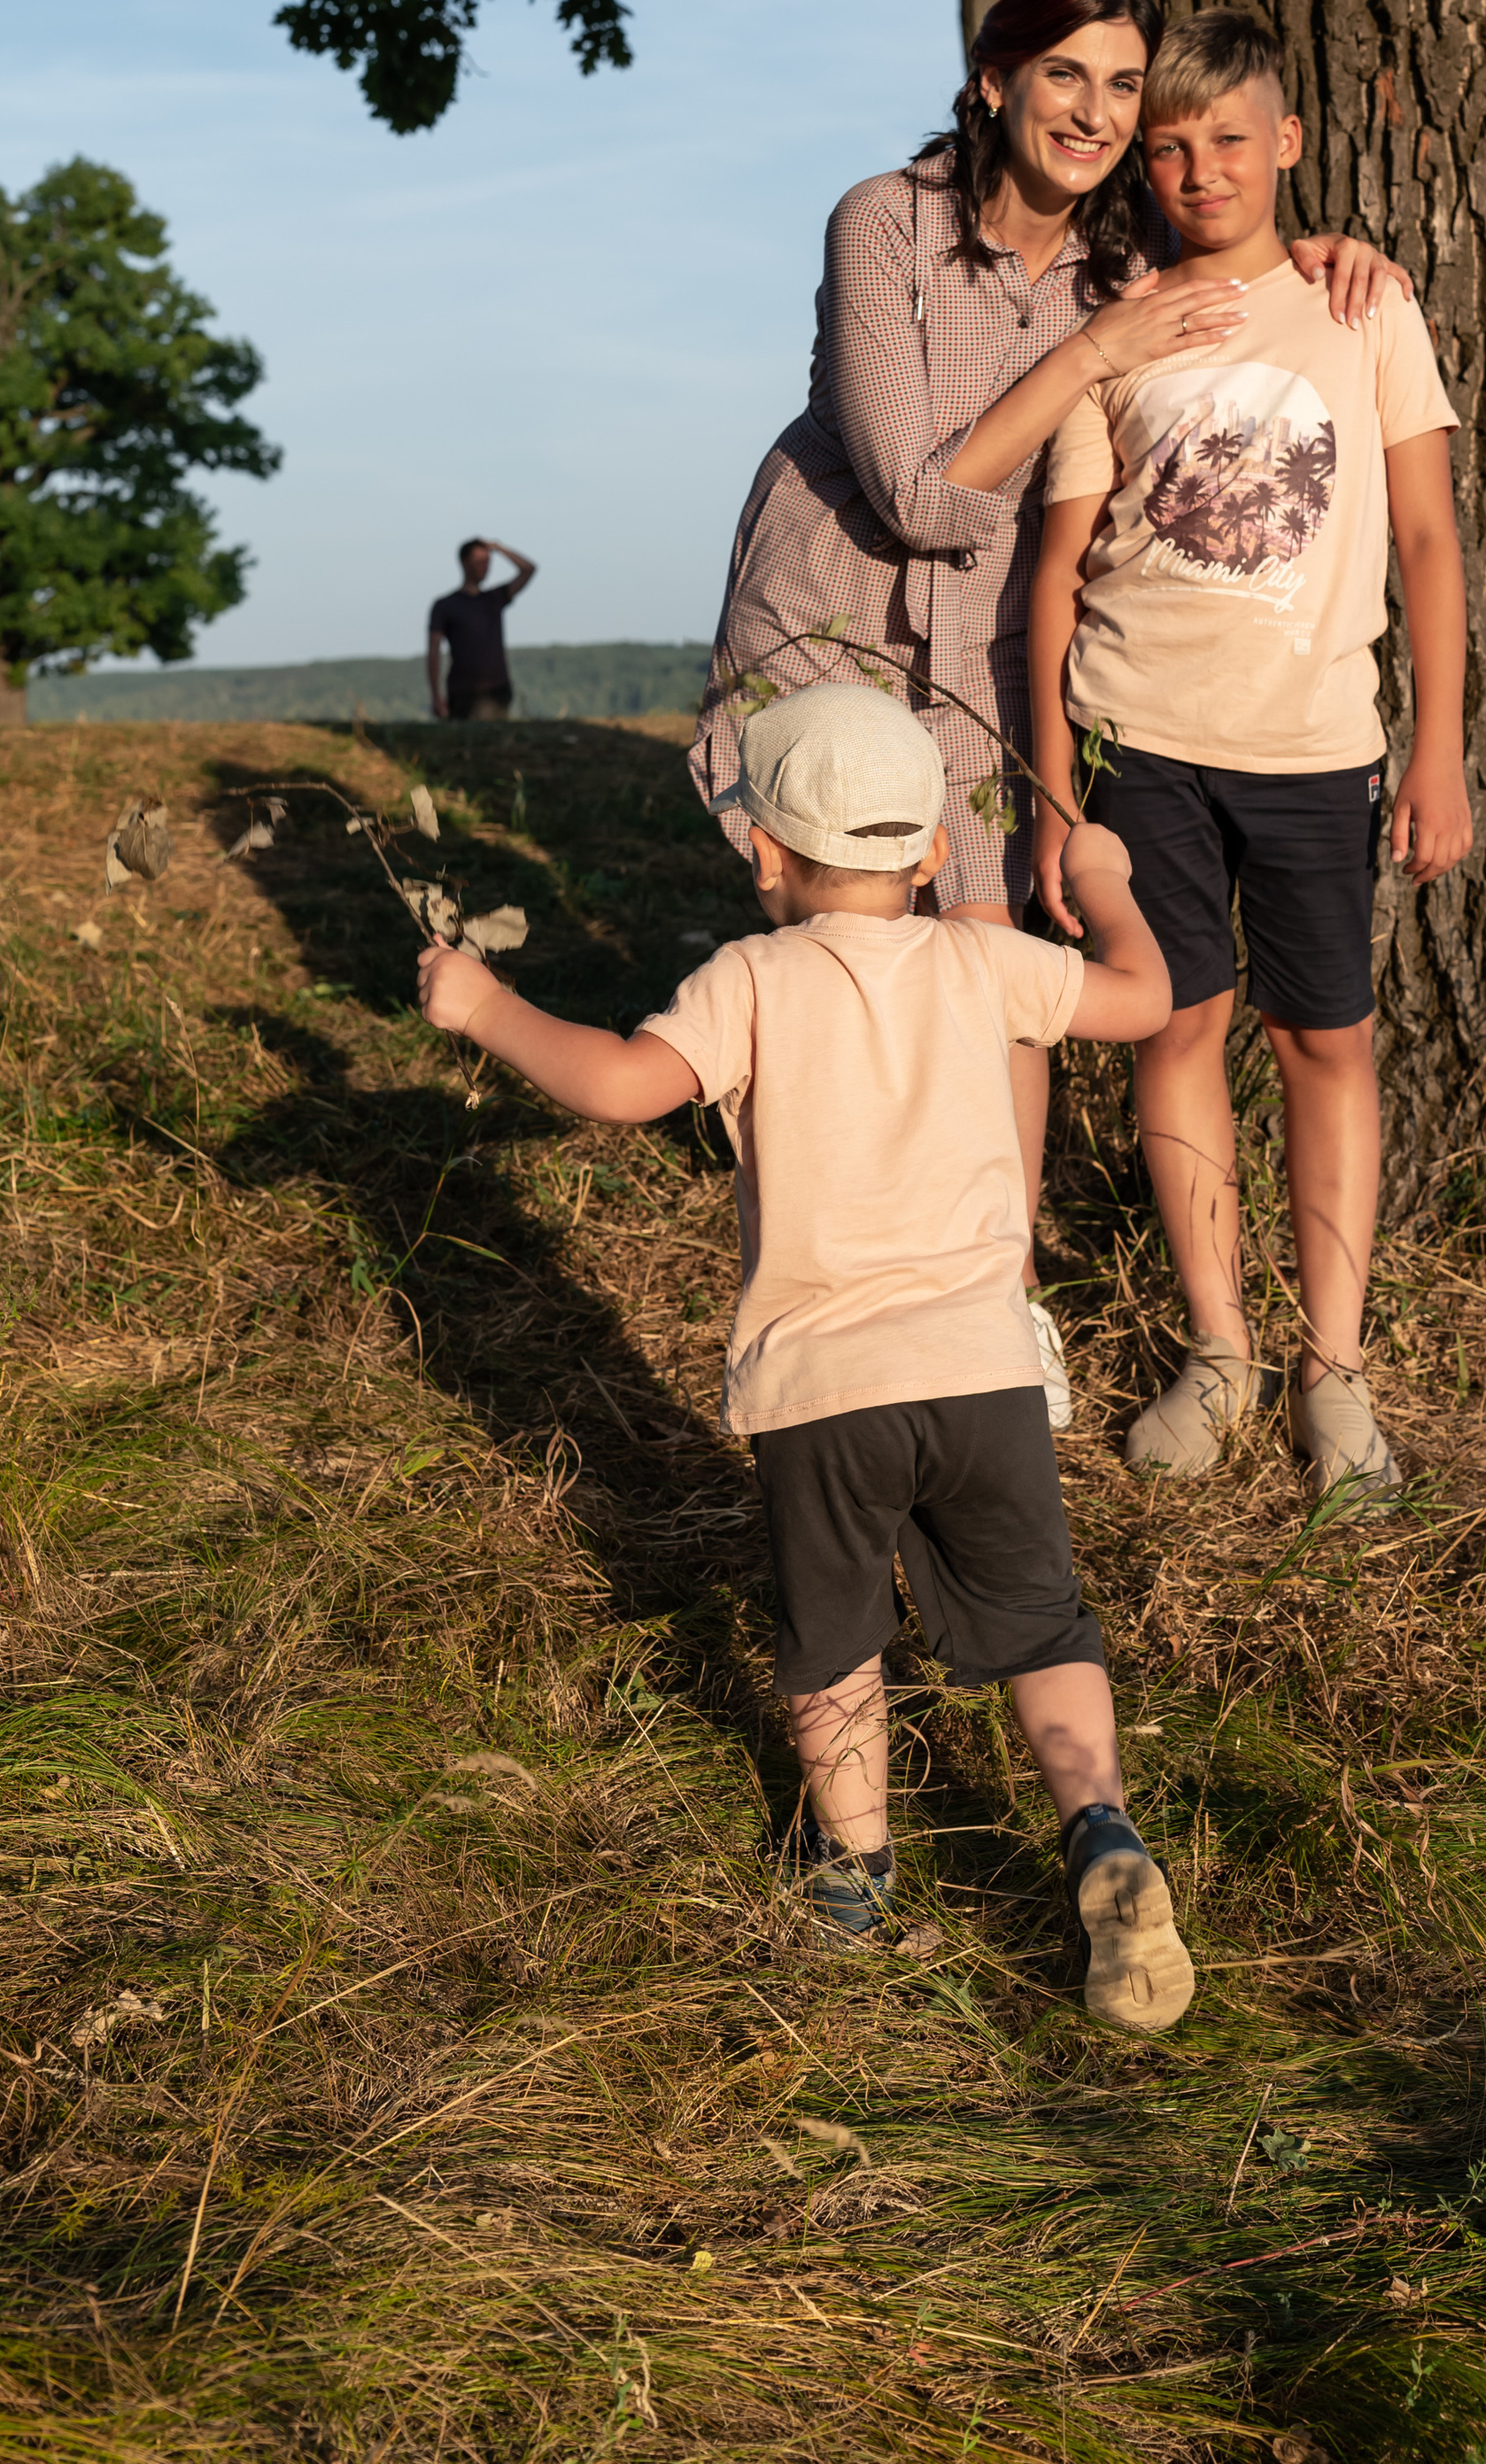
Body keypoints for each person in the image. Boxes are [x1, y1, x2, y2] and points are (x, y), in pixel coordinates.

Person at [688, 0, 1407, 1433]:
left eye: (1123, 84)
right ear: (994, 78)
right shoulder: (887, 220)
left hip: (985, 652)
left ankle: (992, 1301)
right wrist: (1095, 348)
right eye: (1063, 72)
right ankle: (808, 1311)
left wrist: (1347, 255)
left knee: (991, 963)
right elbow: (918, 492)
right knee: (826, 973)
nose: (1093, 109)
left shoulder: (1126, 265)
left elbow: (1242, 269)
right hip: (837, 621)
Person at [416, 681, 1196, 2033]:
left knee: (834, 1637)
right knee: (1041, 1618)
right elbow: (1144, 997)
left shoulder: (751, 979)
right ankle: (1102, 1832)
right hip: (982, 1370)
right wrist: (1106, 875)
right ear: (935, 852)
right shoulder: (979, 952)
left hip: (825, 1391)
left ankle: (854, 1879)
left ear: (767, 856)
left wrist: (482, 1004)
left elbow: (613, 1082)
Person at [1028, 8, 1473, 1498]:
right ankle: (1220, 1346)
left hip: (1315, 747)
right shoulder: (1124, 324)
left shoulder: (1365, 308)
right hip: (1139, 731)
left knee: (1326, 1038)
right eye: (1171, 144)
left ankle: (1335, 1368)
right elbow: (1061, 562)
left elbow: (1424, 534)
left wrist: (1441, 746)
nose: (1202, 166)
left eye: (1232, 137)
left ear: (1286, 141)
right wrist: (1047, 774)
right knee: (1177, 1029)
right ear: (1143, 166)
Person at [428, 538, 536, 721]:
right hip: (462, 692)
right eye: (479, 561)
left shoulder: (495, 598)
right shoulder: (445, 606)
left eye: (487, 561)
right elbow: (434, 651)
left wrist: (500, 548)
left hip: (496, 690)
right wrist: (436, 696)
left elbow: (528, 569)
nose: (484, 566)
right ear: (464, 563)